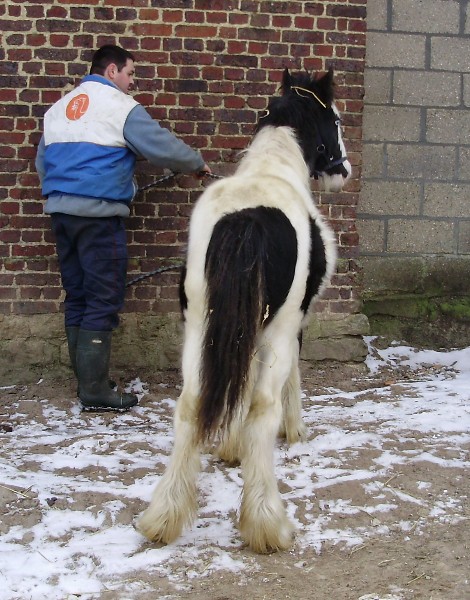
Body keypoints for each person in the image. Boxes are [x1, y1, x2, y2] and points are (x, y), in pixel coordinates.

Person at [35, 44, 211, 412]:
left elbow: (43, 163)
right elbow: (161, 147)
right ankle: (96, 390)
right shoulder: (118, 106)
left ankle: (86, 383)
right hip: (98, 217)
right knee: (103, 297)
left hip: (62, 214)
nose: (132, 82)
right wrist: (194, 163)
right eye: (131, 74)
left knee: (78, 295)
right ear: (112, 70)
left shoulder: (58, 110)